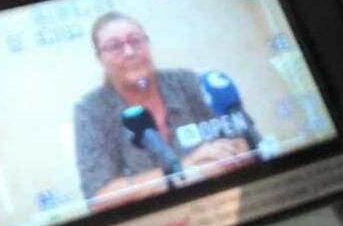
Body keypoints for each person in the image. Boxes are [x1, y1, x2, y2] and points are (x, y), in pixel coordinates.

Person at [72, 13, 253, 211]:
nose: (130, 51)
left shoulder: (188, 82)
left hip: (223, 204)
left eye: (136, 41)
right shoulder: (90, 111)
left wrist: (233, 153)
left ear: (147, 44)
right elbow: (100, 198)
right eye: (115, 46)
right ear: (100, 58)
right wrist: (187, 168)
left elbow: (247, 142)